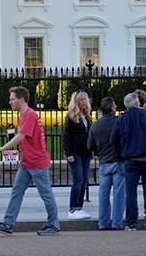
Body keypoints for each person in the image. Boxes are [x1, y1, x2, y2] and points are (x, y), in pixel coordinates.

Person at [0, 86, 60, 236]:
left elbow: (21, 136)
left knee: (46, 194)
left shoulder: (29, 115)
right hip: (27, 161)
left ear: (21, 99)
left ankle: (54, 225)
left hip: (37, 162)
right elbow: (22, 136)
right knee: (17, 192)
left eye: (12, 99)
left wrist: (3, 148)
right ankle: (8, 224)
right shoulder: (24, 115)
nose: (10, 102)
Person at [110, 92, 146, 231]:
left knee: (131, 191)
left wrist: (120, 154)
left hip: (130, 159)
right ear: (137, 103)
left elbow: (113, 139)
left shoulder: (122, 119)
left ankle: (131, 222)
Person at [88, 97, 125, 230]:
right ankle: (117, 222)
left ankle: (103, 222)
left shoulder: (95, 125)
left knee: (103, 193)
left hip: (104, 161)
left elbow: (90, 145)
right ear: (112, 108)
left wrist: (98, 152)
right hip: (118, 160)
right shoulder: (119, 122)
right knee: (119, 194)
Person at [63, 91, 93, 220]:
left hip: (85, 152)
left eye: (85, 99)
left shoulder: (87, 117)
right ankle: (73, 208)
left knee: (84, 180)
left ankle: (79, 208)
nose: (84, 102)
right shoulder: (71, 116)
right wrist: (68, 153)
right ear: (76, 102)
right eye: (81, 99)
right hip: (75, 153)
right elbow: (66, 136)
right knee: (78, 179)